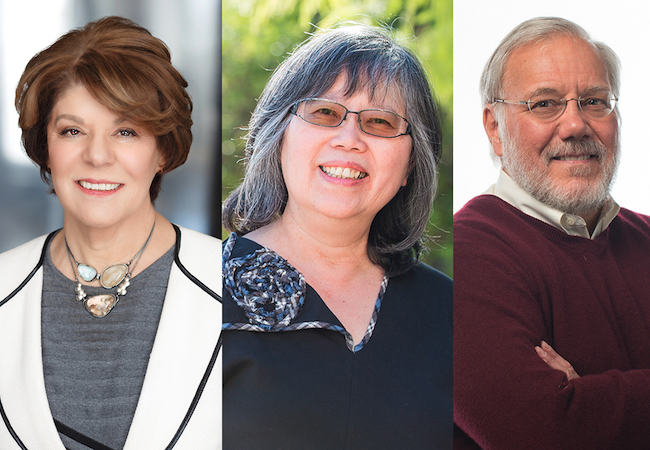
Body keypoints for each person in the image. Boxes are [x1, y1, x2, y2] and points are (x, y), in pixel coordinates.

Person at [221, 24, 452, 448]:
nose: (350, 140)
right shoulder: (194, 294)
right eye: (324, 113)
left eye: (380, 122)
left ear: (409, 167)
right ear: (279, 136)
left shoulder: (450, 312)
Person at [0, 17, 221, 450]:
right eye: (72, 131)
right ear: (46, 147)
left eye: (125, 131)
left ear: (163, 150)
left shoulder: (228, 283)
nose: (97, 155)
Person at [454, 17, 650, 449]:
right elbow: (539, 430)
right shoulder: (467, 255)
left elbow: (572, 423)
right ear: (494, 127)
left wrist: (590, 400)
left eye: (595, 101)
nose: (576, 125)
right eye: (545, 104)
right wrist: (566, 415)